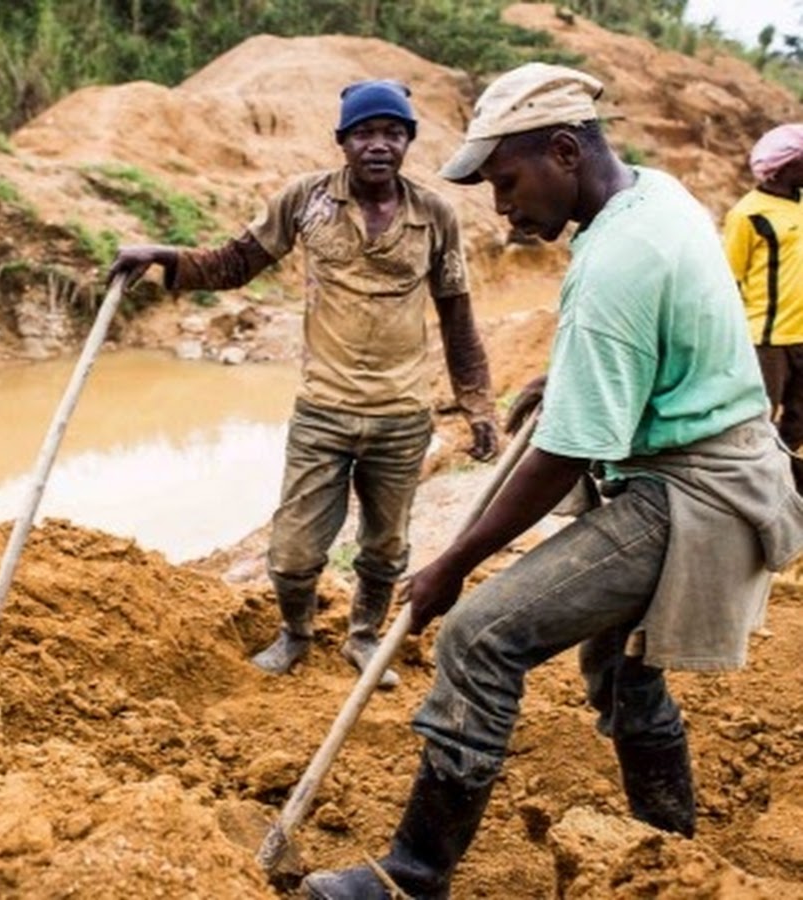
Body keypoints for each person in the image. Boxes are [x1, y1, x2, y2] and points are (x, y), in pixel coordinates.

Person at [302, 62, 803, 899]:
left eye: (507, 182)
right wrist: (566, 376)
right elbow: (644, 358)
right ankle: (667, 848)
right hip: (713, 461)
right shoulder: (656, 194)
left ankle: (413, 876)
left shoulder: (618, 262)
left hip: (691, 492)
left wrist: (452, 564)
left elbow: (567, 452)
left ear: (565, 150)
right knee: (621, 663)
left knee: (480, 636)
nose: (502, 207)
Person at [107, 79, 499, 687]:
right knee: (293, 553)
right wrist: (163, 256)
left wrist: (479, 406)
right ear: (342, 140)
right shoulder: (306, 200)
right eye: (364, 132)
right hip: (324, 411)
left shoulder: (435, 215)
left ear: (408, 141)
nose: (379, 145)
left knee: (386, 546)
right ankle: (295, 632)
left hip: (401, 416)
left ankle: (364, 637)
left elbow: (458, 318)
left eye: (393, 133)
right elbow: (236, 263)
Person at [723, 123, 803, 452]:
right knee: (758, 421)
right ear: (786, 166)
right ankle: (756, 487)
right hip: (766, 340)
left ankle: (789, 487)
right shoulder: (747, 214)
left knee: (799, 422)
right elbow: (729, 280)